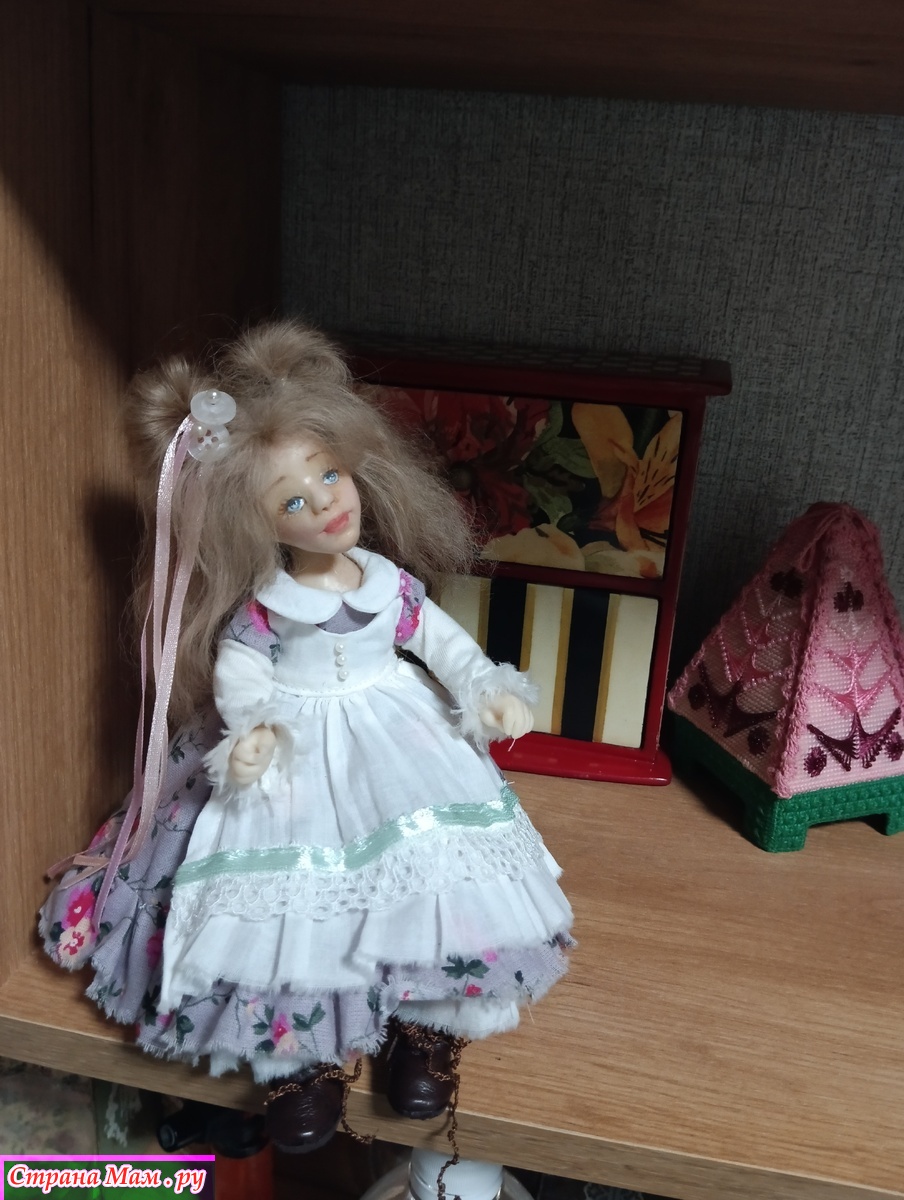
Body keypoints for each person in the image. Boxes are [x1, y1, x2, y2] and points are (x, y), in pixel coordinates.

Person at [41, 321, 573, 1153]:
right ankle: (302, 1055)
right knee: (292, 893)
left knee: (430, 871)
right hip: (294, 739)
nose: (326, 503)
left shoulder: (389, 584)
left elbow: (441, 644)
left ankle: (425, 1026)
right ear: (257, 526)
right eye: (293, 500)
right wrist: (253, 729)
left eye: (329, 474)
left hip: (398, 734)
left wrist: (485, 689)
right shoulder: (267, 607)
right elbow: (242, 673)